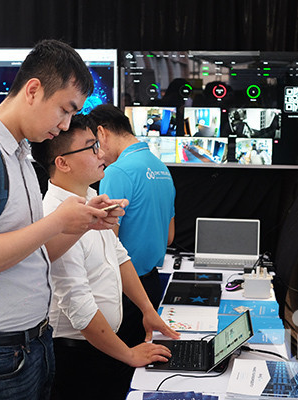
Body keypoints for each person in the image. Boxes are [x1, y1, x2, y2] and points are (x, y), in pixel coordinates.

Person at [0, 39, 123, 400]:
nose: (65, 125)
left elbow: (34, 254)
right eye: (64, 110)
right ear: (33, 90)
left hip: (27, 347)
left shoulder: (18, 155)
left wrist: (83, 223)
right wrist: (56, 221)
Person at [31, 114, 179, 400]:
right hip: (76, 355)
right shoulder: (53, 216)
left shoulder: (91, 198)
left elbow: (120, 256)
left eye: (97, 145)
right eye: (91, 147)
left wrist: (148, 310)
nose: (100, 154)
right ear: (62, 163)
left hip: (104, 346)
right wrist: (128, 354)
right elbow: (79, 305)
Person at [88, 104, 176, 383]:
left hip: (123, 288)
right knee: (142, 373)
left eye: (92, 144)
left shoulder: (117, 172)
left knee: (118, 375)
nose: (95, 154)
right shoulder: (161, 167)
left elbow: (108, 241)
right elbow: (170, 236)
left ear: (101, 132)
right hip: (150, 285)